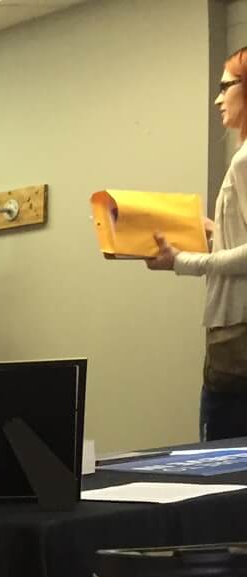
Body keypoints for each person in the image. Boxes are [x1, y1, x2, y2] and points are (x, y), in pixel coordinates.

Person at [147, 47, 247, 441]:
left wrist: (181, 260)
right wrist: (211, 230)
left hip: (237, 347)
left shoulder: (244, 161)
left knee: (220, 475)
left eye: (227, 86)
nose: (218, 98)